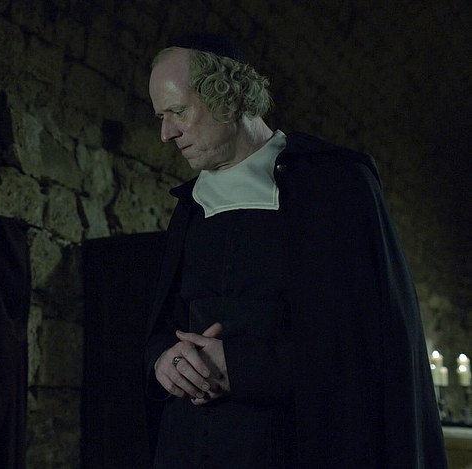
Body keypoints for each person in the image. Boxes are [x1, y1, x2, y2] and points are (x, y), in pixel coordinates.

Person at [144, 35, 447, 468]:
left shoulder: (335, 186)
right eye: (161, 117)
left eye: (178, 111)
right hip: (188, 449)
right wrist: (164, 360)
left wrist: (243, 367)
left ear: (228, 94)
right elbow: (164, 326)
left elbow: (363, 345)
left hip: (298, 447)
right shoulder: (190, 206)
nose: (167, 133)